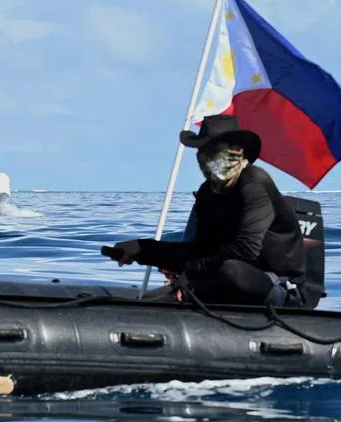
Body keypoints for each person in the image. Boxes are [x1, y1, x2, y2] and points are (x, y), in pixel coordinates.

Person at [108, 114, 306, 307]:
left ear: (237, 151)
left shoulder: (254, 185)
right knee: (155, 301)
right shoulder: (208, 192)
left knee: (230, 270)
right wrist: (143, 249)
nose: (204, 158)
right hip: (225, 279)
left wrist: (193, 277)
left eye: (212, 150)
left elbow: (245, 251)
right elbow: (200, 249)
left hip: (278, 285)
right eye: (201, 151)